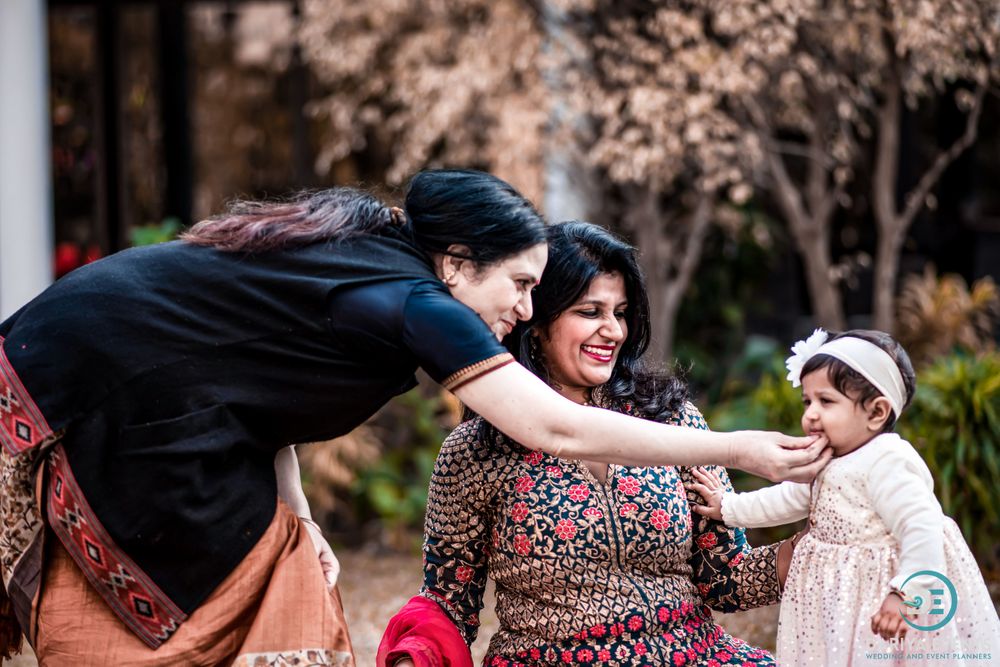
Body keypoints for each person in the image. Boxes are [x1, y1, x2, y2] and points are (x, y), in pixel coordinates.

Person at [0, 170, 827, 665]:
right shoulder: (413, 301)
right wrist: (739, 445)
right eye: (524, 286)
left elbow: (263, 394)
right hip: (73, 372)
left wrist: (303, 513)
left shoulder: (373, 269)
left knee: (289, 561)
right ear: (459, 263)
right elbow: (554, 429)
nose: (526, 306)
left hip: (138, 390)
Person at [378, 222, 800, 667]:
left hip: (694, 654)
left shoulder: (671, 420)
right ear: (537, 321)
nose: (613, 331)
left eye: (620, 313)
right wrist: (416, 656)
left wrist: (818, 542)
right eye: (590, 312)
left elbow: (727, 578)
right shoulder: (478, 451)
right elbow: (448, 600)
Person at [688, 329, 1000, 666]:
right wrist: (729, 507)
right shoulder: (828, 456)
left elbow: (922, 528)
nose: (810, 414)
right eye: (808, 401)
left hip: (881, 590)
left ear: (876, 412)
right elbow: (789, 498)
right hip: (838, 592)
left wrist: (905, 592)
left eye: (826, 401)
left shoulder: (887, 460)